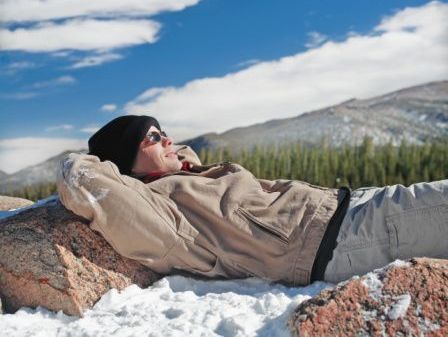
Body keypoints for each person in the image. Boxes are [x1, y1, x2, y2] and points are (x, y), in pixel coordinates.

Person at [57, 115, 448, 285]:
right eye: (153, 137)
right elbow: (86, 180)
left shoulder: (186, 178)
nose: (169, 141)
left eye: (165, 132)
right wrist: (97, 158)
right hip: (340, 240)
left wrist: (163, 156)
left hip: (349, 207)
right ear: (125, 164)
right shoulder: (159, 212)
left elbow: (182, 156)